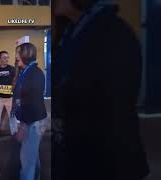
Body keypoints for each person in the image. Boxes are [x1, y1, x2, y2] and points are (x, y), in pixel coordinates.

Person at [53, 0, 149, 180]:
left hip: (105, 158)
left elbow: (116, 98)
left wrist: (64, 112)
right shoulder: (70, 31)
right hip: (76, 151)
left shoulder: (114, 33)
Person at [13, 43, 47, 180]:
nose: (15, 56)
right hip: (31, 119)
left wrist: (23, 125)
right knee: (32, 157)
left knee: (27, 161)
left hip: (32, 121)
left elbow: (32, 103)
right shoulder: (26, 71)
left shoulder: (34, 73)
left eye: (18, 53)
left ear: (25, 55)